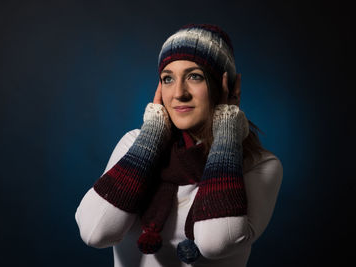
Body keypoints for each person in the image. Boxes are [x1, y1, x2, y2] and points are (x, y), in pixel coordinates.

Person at [75, 23, 283, 267]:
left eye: (195, 76)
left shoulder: (258, 165)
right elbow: (95, 232)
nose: (178, 93)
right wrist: (152, 134)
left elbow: (216, 241)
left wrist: (226, 130)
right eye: (168, 79)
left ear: (227, 87)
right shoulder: (133, 143)